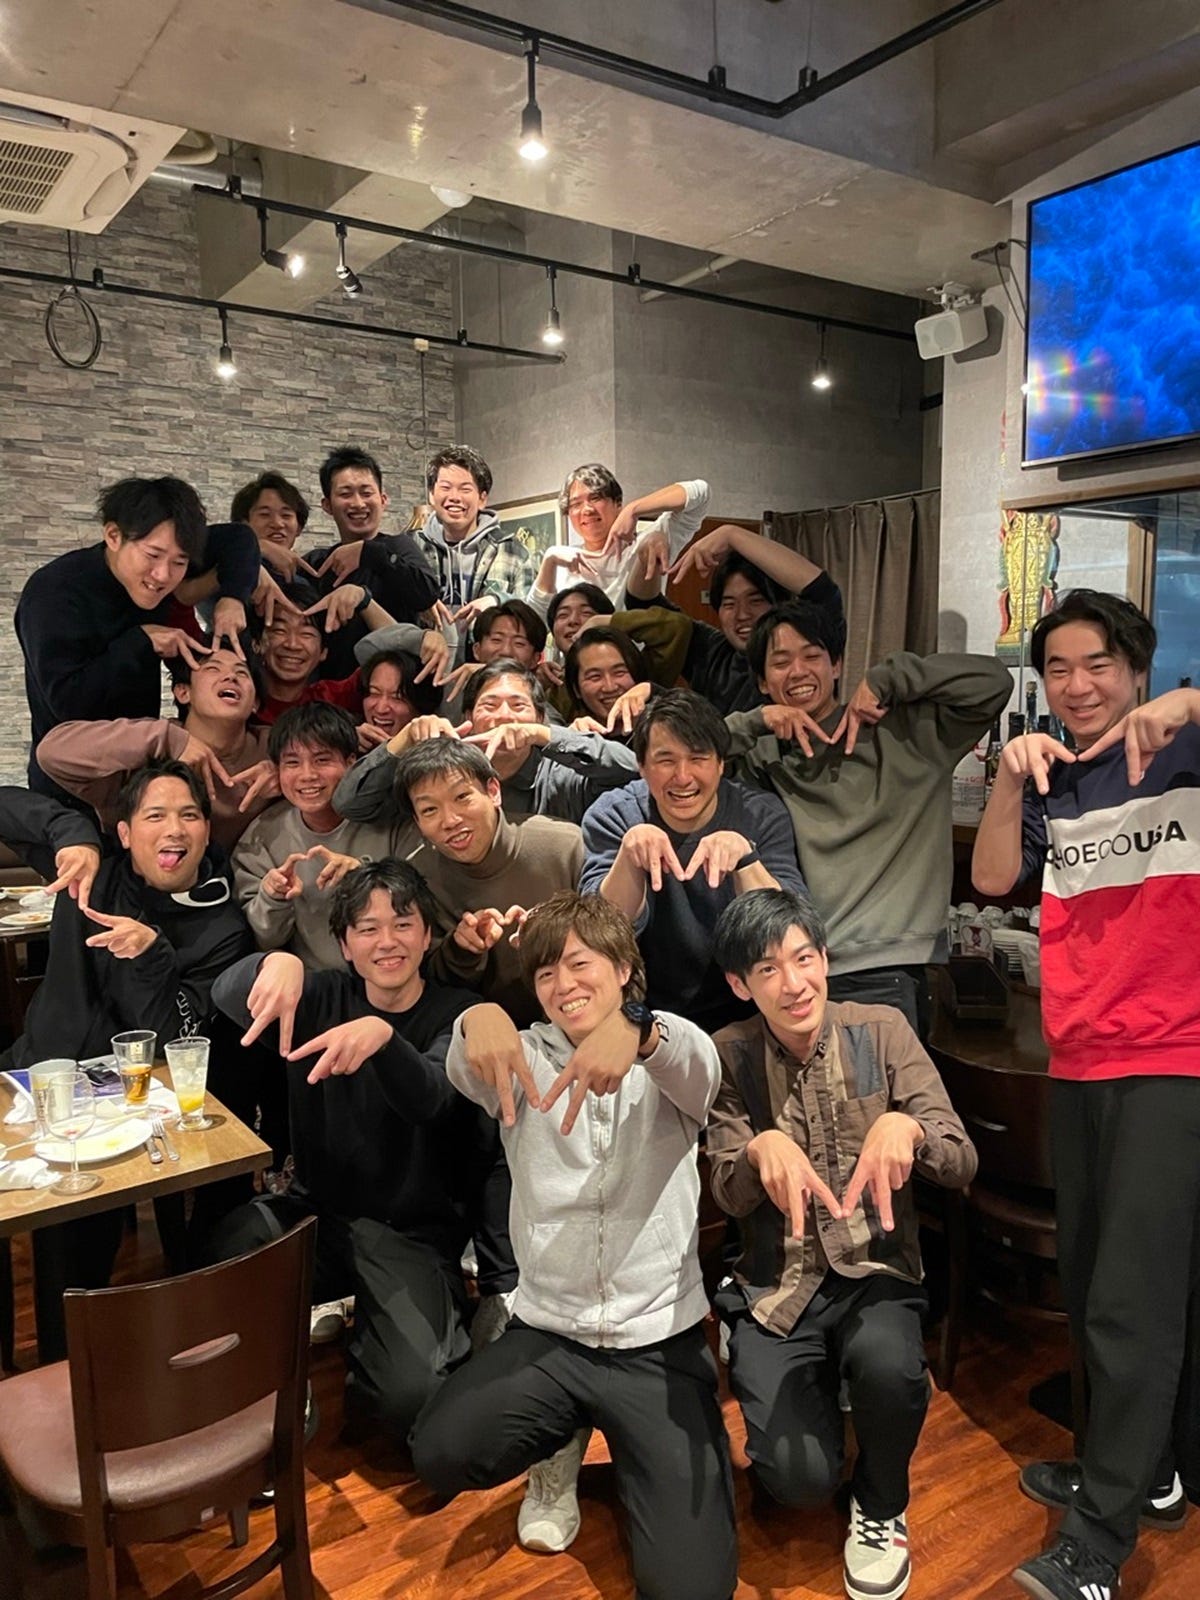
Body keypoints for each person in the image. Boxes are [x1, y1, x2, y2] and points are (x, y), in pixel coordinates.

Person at [409, 892, 738, 1600]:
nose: (563, 984)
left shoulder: (672, 1049)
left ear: (623, 968)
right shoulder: (524, 1056)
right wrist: (475, 1016)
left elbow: (699, 1068)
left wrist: (640, 1031)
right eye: (545, 972)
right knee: (441, 1452)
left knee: (693, 1588)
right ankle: (557, 1447)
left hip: (657, 1341)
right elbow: (462, 1063)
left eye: (580, 964)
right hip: (551, 1332)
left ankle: (637, 1449)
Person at [971, 590, 1200, 1600]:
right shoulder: (1055, 778)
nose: (1078, 685)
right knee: (1095, 1285)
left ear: (1138, 666)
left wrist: (1192, 704)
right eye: (1058, 668)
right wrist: (1007, 777)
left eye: (1098, 664)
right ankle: (1144, 1473)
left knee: (1129, 1305)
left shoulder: (1184, 750)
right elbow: (991, 879)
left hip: (1174, 1057)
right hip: (1082, 1055)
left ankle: (1098, 1542)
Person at [707, 888, 975, 1600]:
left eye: (804, 959)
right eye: (768, 969)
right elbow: (726, 1194)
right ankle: (815, 1387)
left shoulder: (880, 1030)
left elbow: (960, 1157)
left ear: (825, 958)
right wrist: (757, 1151)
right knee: (797, 1482)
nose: (794, 983)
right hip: (779, 1282)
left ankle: (882, 1505)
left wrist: (908, 1129)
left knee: (890, 1368)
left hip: (874, 1268)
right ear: (740, 983)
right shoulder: (729, 1055)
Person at [209, 859, 510, 1444]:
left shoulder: (457, 1014)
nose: (386, 941)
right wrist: (276, 963)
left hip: (409, 1232)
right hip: (317, 1213)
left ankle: (372, 1337)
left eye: (402, 924)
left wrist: (382, 1039)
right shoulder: (321, 994)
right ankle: (280, 1379)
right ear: (345, 945)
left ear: (428, 935)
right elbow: (226, 994)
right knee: (231, 1244)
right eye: (367, 929)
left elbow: (431, 1098)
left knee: (409, 1404)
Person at [0, 759, 254, 1352]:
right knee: (62, 1224)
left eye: (189, 815)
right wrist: (73, 837)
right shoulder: (92, 874)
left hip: (140, 1105)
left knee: (90, 1214)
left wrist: (152, 955)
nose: (174, 830)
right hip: (41, 1080)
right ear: (125, 831)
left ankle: (118, 1359)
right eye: (155, 815)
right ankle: (60, 1364)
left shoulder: (224, 927)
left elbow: (176, 1038)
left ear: (206, 831)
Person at [725, 598, 1013, 1035]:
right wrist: (755, 721)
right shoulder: (766, 755)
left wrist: (888, 677)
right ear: (764, 682)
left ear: (837, 665)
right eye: (781, 663)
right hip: (800, 968)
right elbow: (688, 754)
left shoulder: (907, 731)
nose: (798, 671)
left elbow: (994, 682)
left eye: (812, 656)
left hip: (888, 967)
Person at [15, 476, 260, 805]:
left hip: (139, 771)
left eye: (180, 562)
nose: (163, 576)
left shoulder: (167, 559)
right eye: (152, 555)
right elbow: (69, 703)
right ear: (113, 536)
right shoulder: (54, 594)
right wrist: (142, 641)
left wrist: (233, 597)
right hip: (72, 782)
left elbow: (239, 538)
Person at [581, 690, 804, 1031]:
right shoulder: (614, 815)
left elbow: (793, 930)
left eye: (698, 758)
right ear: (642, 766)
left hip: (751, 1014)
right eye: (666, 760)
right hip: (643, 1018)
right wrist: (628, 858)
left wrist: (746, 859)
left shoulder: (760, 813)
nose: (683, 777)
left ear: (721, 763)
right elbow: (596, 934)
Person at [390, 740, 583, 1024]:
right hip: (481, 1031)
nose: (450, 820)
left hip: (579, 1018)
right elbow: (426, 983)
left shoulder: (564, 845)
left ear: (493, 791)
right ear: (417, 821)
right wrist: (461, 949)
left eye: (462, 797)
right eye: (430, 810)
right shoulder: (417, 876)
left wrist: (553, 932)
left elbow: (615, 944)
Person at [36, 640, 276, 851]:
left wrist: (286, 775)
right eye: (213, 668)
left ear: (255, 702)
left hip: (245, 884)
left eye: (242, 673)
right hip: (139, 881)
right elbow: (51, 751)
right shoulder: (146, 743)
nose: (230, 677)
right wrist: (169, 740)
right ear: (183, 692)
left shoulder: (272, 746)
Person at [334, 660, 638, 825]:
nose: (504, 716)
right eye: (489, 705)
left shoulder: (562, 773)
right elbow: (349, 804)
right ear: (469, 716)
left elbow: (634, 771)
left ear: (540, 717)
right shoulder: (438, 772)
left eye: (518, 706)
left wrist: (546, 735)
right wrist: (405, 739)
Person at [233, 704, 416, 973]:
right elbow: (265, 940)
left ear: (351, 763)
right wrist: (273, 897)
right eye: (292, 763)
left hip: (397, 972)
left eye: (322, 760)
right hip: (315, 983)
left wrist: (363, 875)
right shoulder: (261, 837)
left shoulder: (391, 820)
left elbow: (421, 907)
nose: (308, 775)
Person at [620, 522, 843, 715]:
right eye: (729, 604)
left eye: (755, 601)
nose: (742, 614)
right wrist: (649, 552)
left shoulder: (809, 635)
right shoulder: (711, 652)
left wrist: (731, 535)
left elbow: (822, 591)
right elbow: (644, 607)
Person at [304, 446, 441, 676]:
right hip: (332, 687)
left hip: (394, 685)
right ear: (327, 505)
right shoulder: (318, 562)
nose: (358, 503)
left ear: (383, 499)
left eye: (366, 493)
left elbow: (426, 594)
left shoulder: (399, 547)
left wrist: (369, 552)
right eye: (345, 494)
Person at [528, 465, 711, 613]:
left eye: (596, 498)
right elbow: (534, 622)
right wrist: (549, 560)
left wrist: (633, 509)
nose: (587, 510)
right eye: (576, 504)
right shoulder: (563, 561)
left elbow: (701, 493)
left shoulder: (647, 544)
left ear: (617, 503)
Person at [412, 445, 535, 638]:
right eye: (445, 487)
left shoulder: (513, 552)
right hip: (421, 657)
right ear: (431, 495)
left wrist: (496, 600)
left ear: (482, 499)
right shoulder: (412, 547)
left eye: (465, 489)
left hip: (488, 657)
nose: (454, 497)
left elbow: (533, 617)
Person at [231, 470, 315, 584]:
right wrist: (256, 547)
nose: (277, 524)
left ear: (299, 528)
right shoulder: (225, 570)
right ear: (243, 523)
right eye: (264, 514)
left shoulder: (307, 582)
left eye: (286, 515)